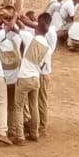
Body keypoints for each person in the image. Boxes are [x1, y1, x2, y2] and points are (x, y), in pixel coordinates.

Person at [10, 14, 52, 145]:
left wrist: (15, 17)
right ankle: (34, 132)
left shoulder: (29, 38)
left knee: (18, 107)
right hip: (36, 78)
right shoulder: (48, 47)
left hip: (24, 77)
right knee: (34, 105)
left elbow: (13, 27)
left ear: (37, 29)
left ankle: (20, 136)